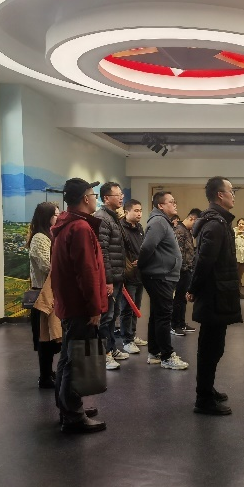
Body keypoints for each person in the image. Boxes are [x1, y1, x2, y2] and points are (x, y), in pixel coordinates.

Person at [51, 178, 107, 434]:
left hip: (70, 303)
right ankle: (73, 415)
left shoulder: (66, 224)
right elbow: (86, 272)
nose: (96, 199)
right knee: (76, 360)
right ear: (85, 198)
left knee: (68, 358)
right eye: (94, 195)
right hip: (80, 306)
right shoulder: (81, 228)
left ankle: (67, 405)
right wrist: (94, 307)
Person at [186, 177, 242, 415]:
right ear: (220, 195)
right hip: (213, 295)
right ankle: (203, 398)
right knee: (210, 349)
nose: (233, 195)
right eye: (231, 191)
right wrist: (193, 288)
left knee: (215, 347)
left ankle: (207, 389)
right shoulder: (215, 225)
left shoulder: (219, 222)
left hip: (219, 293)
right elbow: (204, 262)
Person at [137, 191, 188, 370]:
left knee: (157, 315)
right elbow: (147, 247)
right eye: (171, 202)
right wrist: (141, 264)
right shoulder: (158, 222)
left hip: (162, 275)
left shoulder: (163, 221)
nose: (175, 204)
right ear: (160, 205)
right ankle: (167, 356)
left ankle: (155, 353)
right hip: (160, 276)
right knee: (164, 316)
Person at [93, 182, 128, 369]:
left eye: (122, 194)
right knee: (106, 317)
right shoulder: (102, 218)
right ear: (106, 198)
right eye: (118, 195)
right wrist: (107, 280)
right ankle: (103, 354)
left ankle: (112, 348)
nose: (121, 197)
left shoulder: (113, 217)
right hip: (110, 278)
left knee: (114, 315)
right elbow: (103, 252)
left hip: (117, 276)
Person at [28, 202, 61, 389]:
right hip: (43, 293)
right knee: (44, 337)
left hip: (51, 291)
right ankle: (45, 376)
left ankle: (48, 373)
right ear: (46, 216)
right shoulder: (40, 238)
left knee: (51, 336)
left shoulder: (50, 235)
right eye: (55, 214)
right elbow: (47, 265)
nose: (58, 217)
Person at [118, 199, 146, 354]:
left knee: (136, 307)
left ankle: (132, 335)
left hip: (140, 274)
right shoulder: (121, 228)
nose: (139, 213)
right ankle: (127, 340)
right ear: (126, 212)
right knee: (127, 308)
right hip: (128, 275)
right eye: (136, 210)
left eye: (140, 210)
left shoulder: (139, 228)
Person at [172, 208, 201, 335]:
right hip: (181, 271)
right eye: (196, 223)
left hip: (187, 270)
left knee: (183, 299)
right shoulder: (179, 230)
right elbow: (177, 253)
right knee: (178, 299)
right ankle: (174, 325)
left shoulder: (187, 231)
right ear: (192, 218)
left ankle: (181, 323)